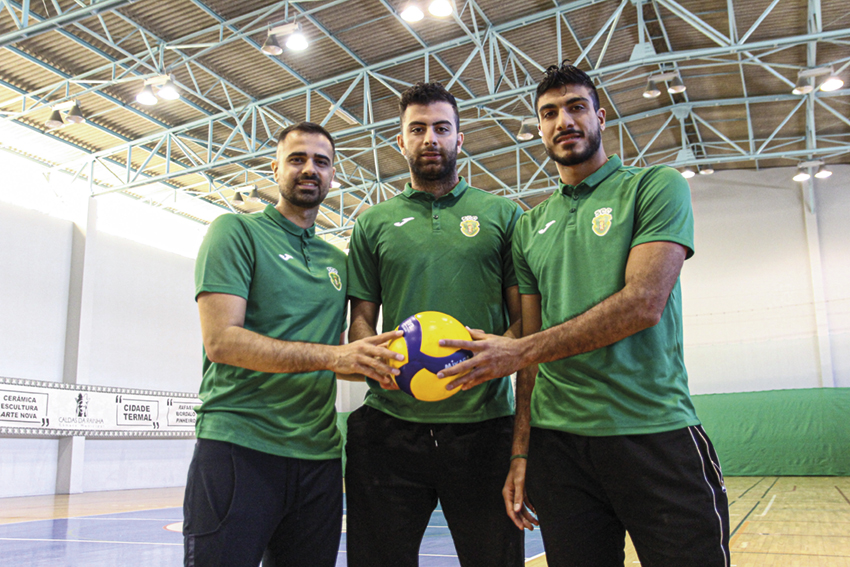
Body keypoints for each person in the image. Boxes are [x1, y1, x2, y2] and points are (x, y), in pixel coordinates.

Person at [439, 63, 731, 567]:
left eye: (575, 107)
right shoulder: (530, 227)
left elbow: (643, 303)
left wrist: (516, 350)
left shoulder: (655, 187)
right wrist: (522, 451)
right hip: (560, 447)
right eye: (548, 113)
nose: (563, 121)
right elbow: (528, 356)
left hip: (651, 430)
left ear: (598, 116)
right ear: (539, 128)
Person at [183, 122, 403, 567]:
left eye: (321, 162)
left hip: (319, 457)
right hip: (240, 447)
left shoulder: (335, 261)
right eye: (297, 159)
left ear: (333, 174)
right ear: (275, 167)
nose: (309, 170)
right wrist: (338, 356)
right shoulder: (235, 232)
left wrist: (392, 361)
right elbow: (222, 342)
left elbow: (339, 358)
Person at [344, 82, 526, 567]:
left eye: (442, 128)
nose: (430, 138)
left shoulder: (502, 215)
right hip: (389, 428)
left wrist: (501, 354)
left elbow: (524, 321)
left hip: (483, 428)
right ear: (400, 142)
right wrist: (371, 356)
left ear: (459, 139)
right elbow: (360, 320)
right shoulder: (373, 223)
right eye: (417, 129)